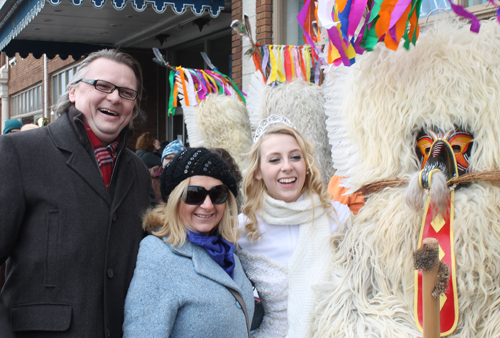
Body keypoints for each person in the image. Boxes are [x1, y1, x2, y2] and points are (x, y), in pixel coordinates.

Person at [0, 49, 151, 337]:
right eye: (103, 86)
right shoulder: (19, 153)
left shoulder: (139, 172)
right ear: (72, 92)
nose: (115, 97)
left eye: (127, 92)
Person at [237, 116, 350, 338]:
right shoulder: (242, 229)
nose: (287, 167)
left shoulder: (339, 217)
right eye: (274, 160)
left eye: (295, 157)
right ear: (258, 171)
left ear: (306, 165)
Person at [123, 147, 254, 337]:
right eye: (194, 194)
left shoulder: (227, 250)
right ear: (175, 199)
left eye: (217, 194)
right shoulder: (158, 254)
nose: (207, 205)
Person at [149, 139, 187, 204]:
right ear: (163, 160)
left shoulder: (189, 179)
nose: (172, 162)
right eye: (169, 158)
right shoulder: (150, 178)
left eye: (177, 159)